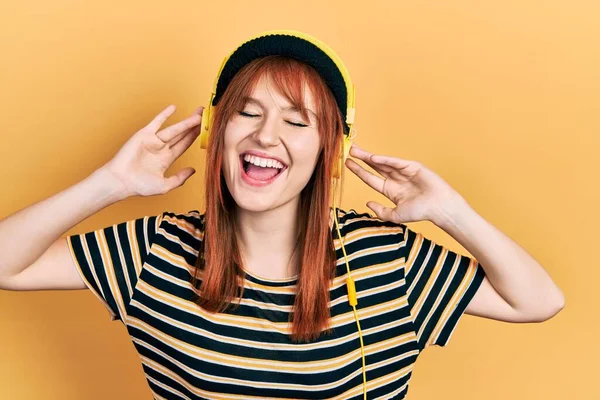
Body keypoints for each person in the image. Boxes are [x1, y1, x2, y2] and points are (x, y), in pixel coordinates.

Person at [0, 31, 564, 400]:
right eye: (246, 113)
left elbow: (538, 300)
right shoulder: (156, 252)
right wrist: (109, 184)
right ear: (215, 134)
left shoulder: (387, 256)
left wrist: (451, 212)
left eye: (297, 121)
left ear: (330, 150)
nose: (265, 135)